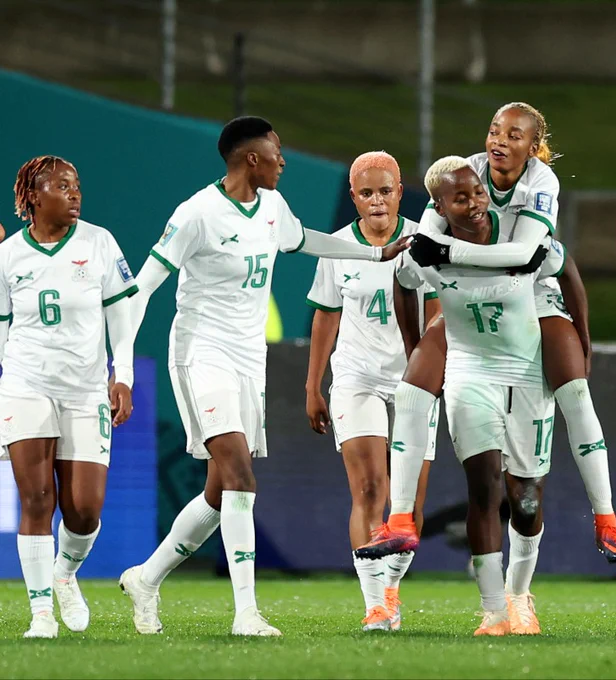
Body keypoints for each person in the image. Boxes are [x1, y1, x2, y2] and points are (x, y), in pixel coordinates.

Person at [118, 117, 409, 637]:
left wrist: (374, 252)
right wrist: (122, 370)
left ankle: (146, 577)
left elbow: (309, 240)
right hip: (202, 353)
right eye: (276, 152)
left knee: (218, 492)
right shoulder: (196, 213)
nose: (283, 161)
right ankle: (246, 614)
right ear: (251, 159)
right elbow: (141, 290)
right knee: (240, 478)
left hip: (249, 360)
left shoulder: (272, 206)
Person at [358, 102, 616, 564]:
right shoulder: (461, 174)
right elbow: (412, 263)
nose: (500, 141)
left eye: (514, 135)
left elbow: (530, 257)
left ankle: (605, 516)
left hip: (531, 296)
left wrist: (582, 338)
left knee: (575, 393)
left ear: (533, 147)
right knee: (411, 392)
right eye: (494, 130)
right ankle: (400, 519)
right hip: (469, 302)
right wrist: (415, 345)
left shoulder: (540, 184)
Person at [380, 157, 566, 635]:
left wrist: (579, 342)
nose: (476, 203)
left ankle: (519, 594)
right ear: (439, 208)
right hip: (470, 373)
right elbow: (402, 280)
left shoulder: (519, 236)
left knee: (526, 500)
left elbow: (567, 272)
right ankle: (494, 610)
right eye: (460, 198)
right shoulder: (425, 252)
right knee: (483, 487)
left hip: (525, 374)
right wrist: (414, 343)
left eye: (478, 192)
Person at [305, 151, 441, 632]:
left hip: (414, 381)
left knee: (409, 505)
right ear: (354, 198)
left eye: (385, 191)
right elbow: (326, 315)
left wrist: (435, 372)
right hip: (356, 377)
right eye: (367, 193)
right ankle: (375, 605)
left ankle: (392, 592)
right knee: (369, 488)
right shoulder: (337, 247)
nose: (377, 200)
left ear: (400, 192)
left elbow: (437, 314)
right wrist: (313, 384)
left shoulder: (424, 242)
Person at [0, 156, 136, 638]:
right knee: (37, 498)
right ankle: (41, 614)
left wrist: (123, 376)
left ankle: (64, 573)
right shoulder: (8, 255)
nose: (74, 193)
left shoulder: (99, 243)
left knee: (84, 510)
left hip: (85, 388)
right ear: (33, 197)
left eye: (75, 185)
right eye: (60, 186)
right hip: (26, 384)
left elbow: (121, 315)